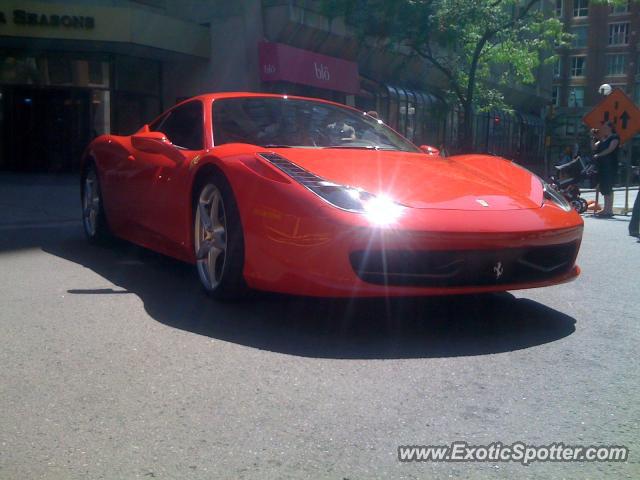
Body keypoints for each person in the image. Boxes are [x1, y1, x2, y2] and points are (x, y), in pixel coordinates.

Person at [591, 121, 620, 217]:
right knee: (603, 187)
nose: (604, 129)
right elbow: (594, 147)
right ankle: (605, 209)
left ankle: (609, 210)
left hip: (610, 166)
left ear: (610, 128)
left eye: (606, 127)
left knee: (608, 187)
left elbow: (610, 149)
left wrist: (599, 155)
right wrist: (593, 137)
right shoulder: (603, 139)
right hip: (602, 166)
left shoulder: (614, 137)